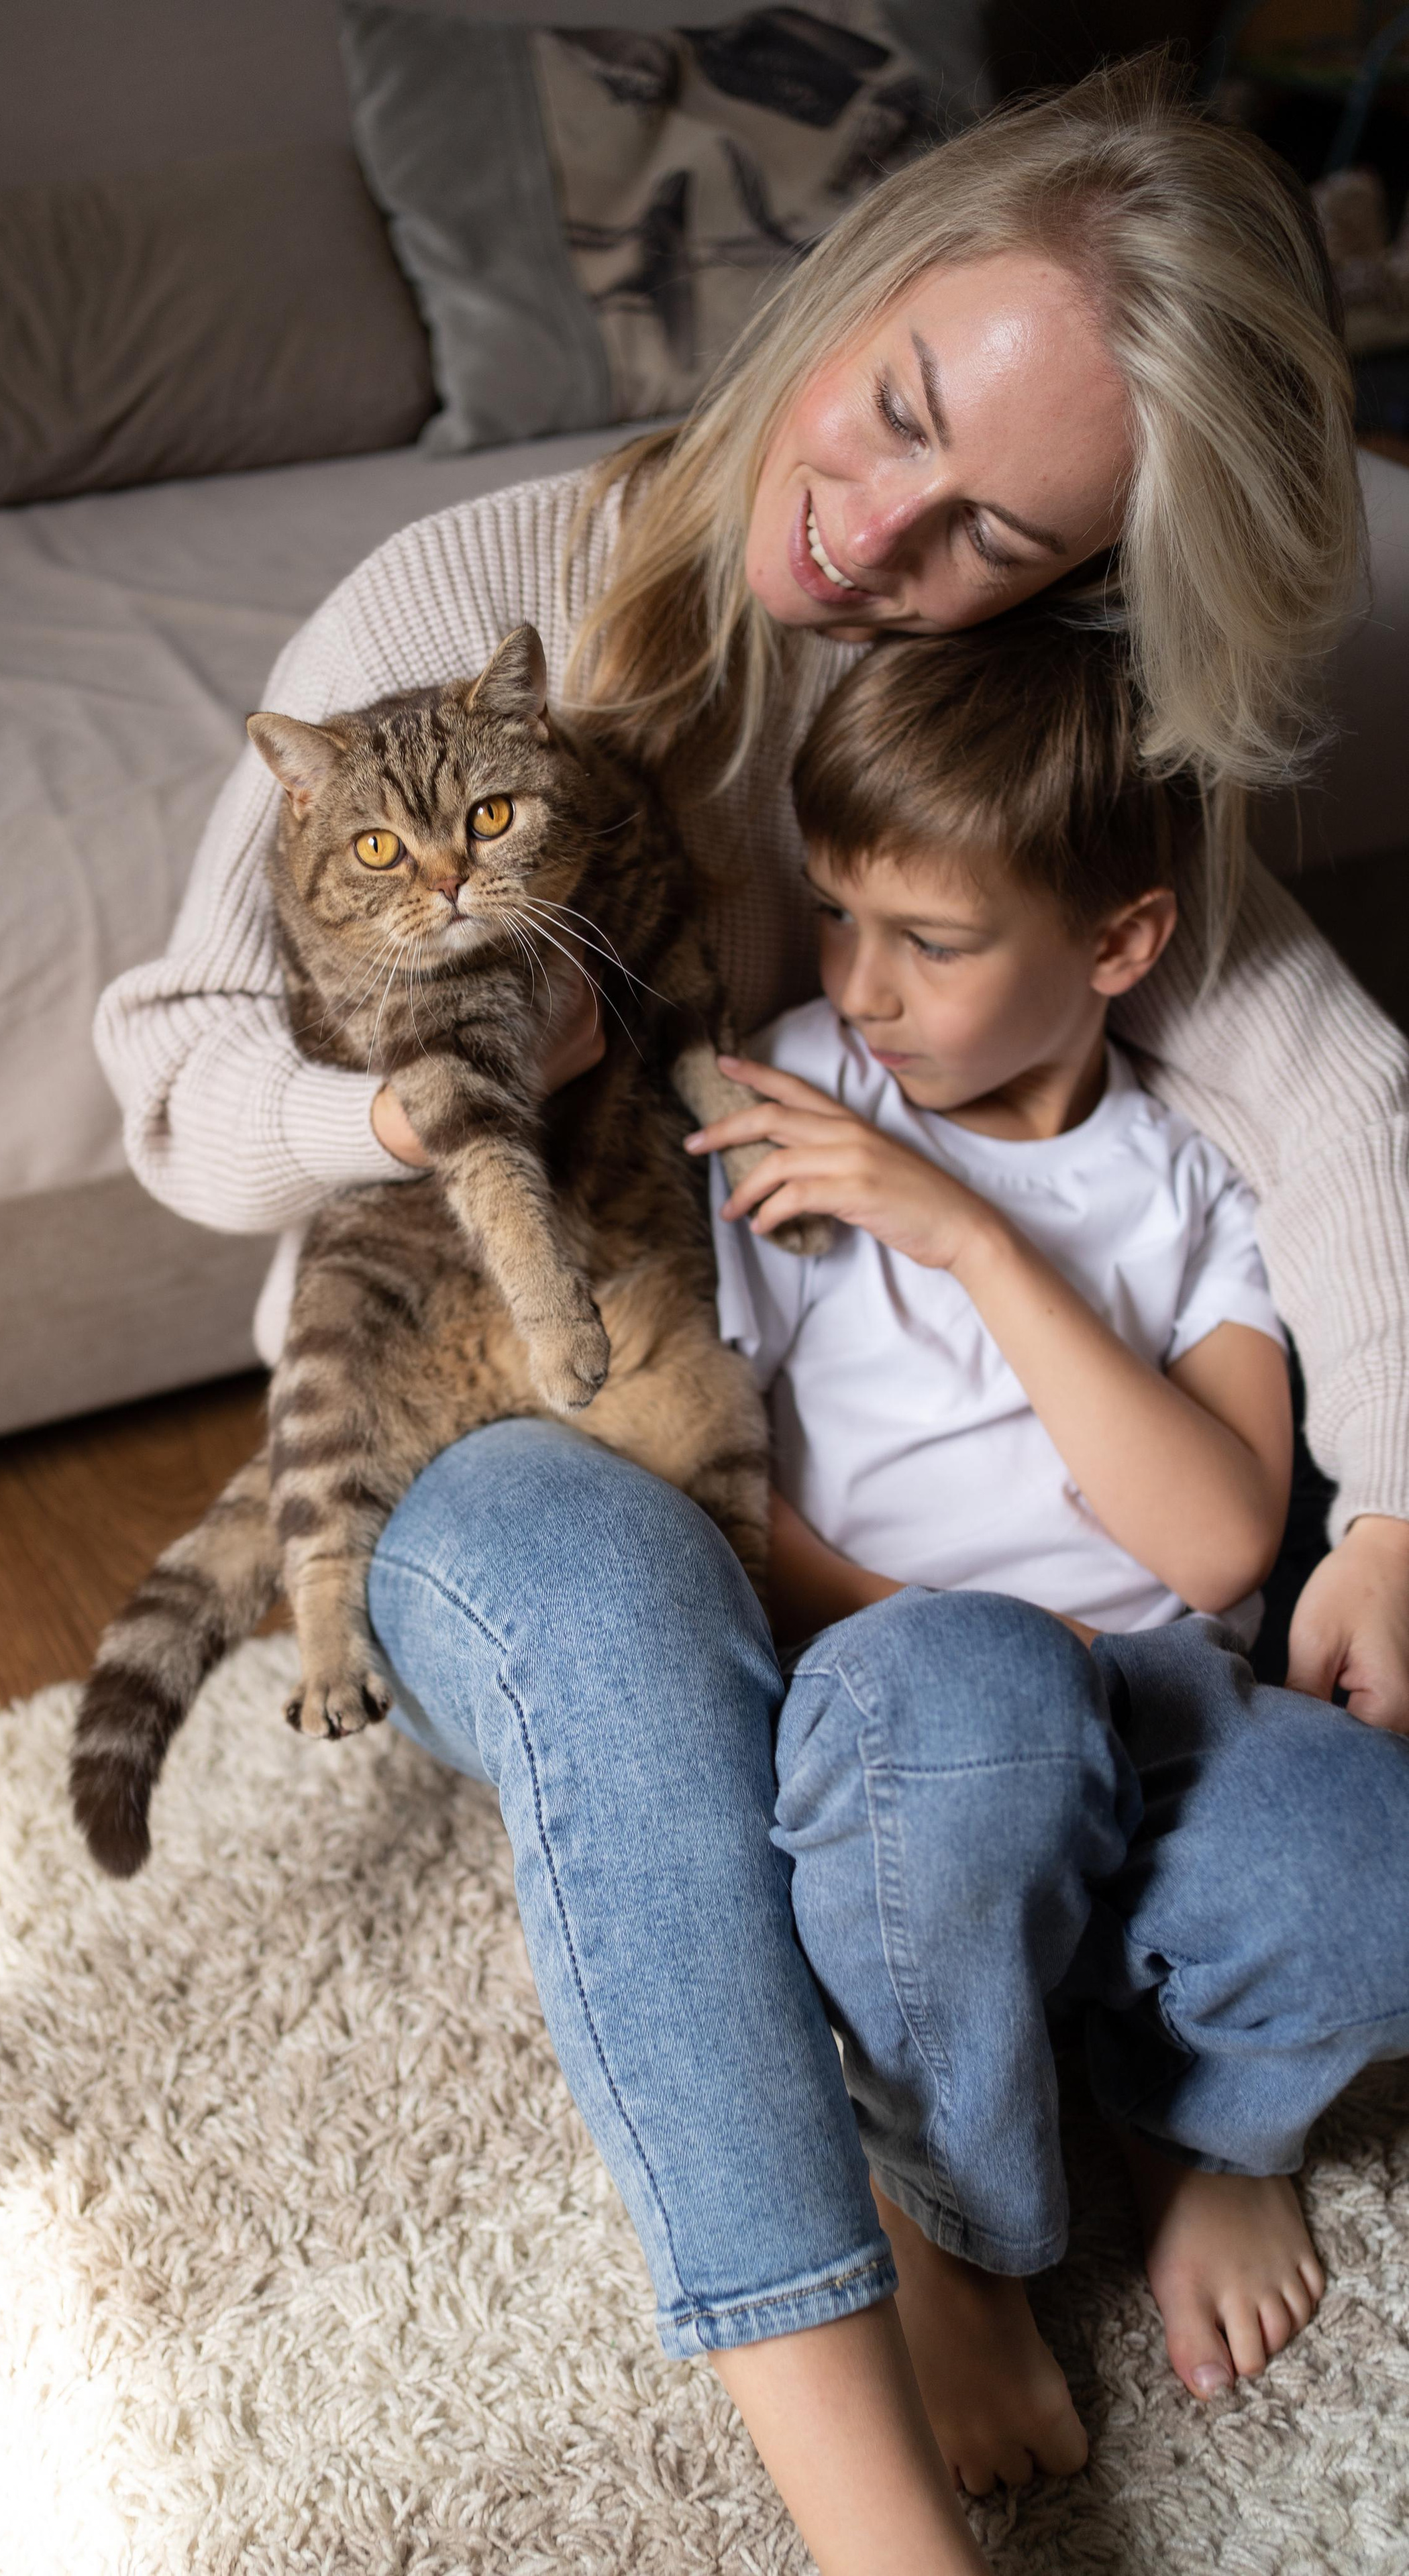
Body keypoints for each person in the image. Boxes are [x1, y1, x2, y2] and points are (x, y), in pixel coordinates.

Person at [95, 57, 1409, 2572]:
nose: (878, 523)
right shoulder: (471, 604)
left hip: (813, 1461)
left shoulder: (993, 725)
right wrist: (417, 1121)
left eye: (988, 526)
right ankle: (870, 2502)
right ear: (861, 279)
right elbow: (169, 1076)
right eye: (896, 407)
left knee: (1166, 1779)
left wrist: (1398, 1520)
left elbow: (1326, 1086)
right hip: (484, 1384)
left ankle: (1012, 2099)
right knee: (626, 1627)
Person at [686, 611, 1409, 2498]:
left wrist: (975, 1240)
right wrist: (960, 1644)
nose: (864, 986)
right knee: (977, 1707)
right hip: (914, 1692)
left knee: (1378, 1849)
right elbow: (725, 1496)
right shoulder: (774, 1109)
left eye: (931, 942)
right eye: (840, 919)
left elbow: (1227, 1532)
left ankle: (1200, 2124)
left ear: (1120, 946)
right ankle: (960, 2224)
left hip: (1163, 1701)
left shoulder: (1181, 1183)